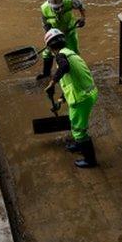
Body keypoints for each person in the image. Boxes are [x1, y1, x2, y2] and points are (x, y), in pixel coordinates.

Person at [42, 28, 98, 168]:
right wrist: (60, 101)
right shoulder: (70, 53)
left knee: (79, 130)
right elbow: (71, 82)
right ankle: (78, 145)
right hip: (84, 94)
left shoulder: (61, 57)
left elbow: (64, 67)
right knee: (74, 123)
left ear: (49, 47)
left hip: (82, 98)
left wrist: (52, 82)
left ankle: (90, 160)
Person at [37, 0, 86, 80]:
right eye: (56, 7)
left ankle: (75, 72)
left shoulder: (70, 1)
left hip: (69, 32)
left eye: (60, 6)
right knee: (47, 52)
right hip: (55, 34)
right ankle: (46, 73)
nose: (58, 8)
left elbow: (81, 6)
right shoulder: (44, 8)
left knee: (72, 53)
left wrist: (83, 18)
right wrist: (50, 37)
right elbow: (45, 24)